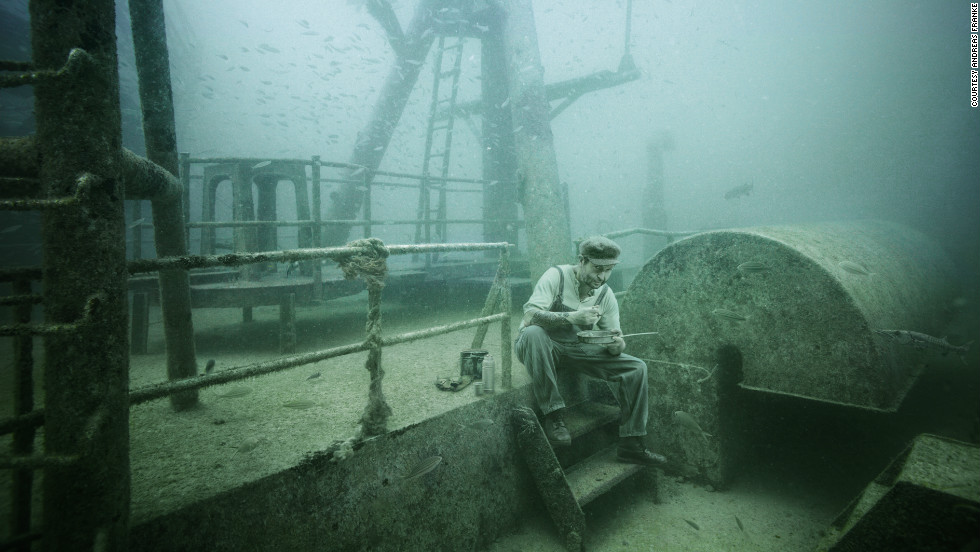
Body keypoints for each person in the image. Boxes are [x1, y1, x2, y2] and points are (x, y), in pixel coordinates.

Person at [515, 236, 667, 466]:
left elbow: (615, 337)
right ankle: (554, 416)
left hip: (576, 348)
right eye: (597, 269)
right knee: (533, 333)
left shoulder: (606, 295)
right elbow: (529, 316)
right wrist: (572, 317)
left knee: (636, 368)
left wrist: (618, 346)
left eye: (608, 270)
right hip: (541, 346)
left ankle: (632, 443)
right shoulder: (556, 276)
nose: (602, 276)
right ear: (581, 260)